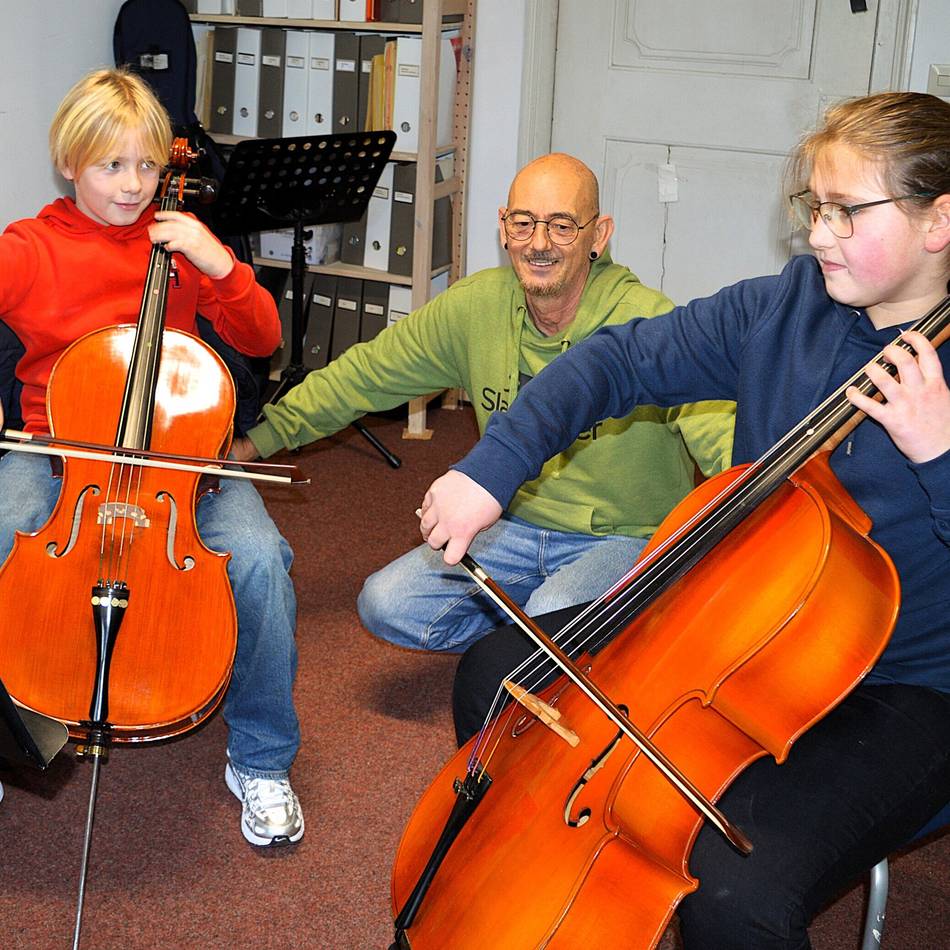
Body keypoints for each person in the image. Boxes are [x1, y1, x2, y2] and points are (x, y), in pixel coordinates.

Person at [417, 91, 950, 949]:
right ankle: (553, 908)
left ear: (939, 221)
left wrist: (941, 455)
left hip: (902, 687)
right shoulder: (789, 306)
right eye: (814, 208)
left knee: (735, 893)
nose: (819, 234)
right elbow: (618, 359)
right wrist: (494, 466)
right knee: (499, 676)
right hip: (732, 622)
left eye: (848, 211)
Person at [234, 153, 734, 653]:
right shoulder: (476, 307)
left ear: (598, 236)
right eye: (523, 223)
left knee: (550, 616)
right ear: (503, 227)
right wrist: (256, 442)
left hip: (625, 539)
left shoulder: (649, 321)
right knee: (386, 604)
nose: (539, 244)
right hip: (506, 526)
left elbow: (723, 435)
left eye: (562, 226)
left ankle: (563, 628)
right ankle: (541, 640)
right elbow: (362, 376)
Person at [0, 69, 303, 847]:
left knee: (262, 559)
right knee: (3, 532)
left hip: (179, 460)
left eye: (145, 165)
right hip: (59, 452)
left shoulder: (181, 243)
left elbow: (265, 340)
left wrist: (218, 261)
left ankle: (263, 758)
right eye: (111, 166)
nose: (133, 187)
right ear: (71, 163)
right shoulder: (29, 248)